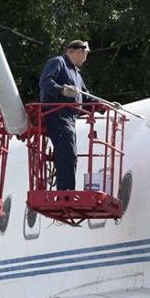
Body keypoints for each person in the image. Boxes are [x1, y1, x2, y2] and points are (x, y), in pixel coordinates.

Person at [38, 39, 93, 192]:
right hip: (56, 115)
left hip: (69, 118)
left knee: (70, 155)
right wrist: (61, 90)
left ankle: (66, 190)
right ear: (78, 51)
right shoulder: (58, 62)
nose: (86, 57)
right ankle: (65, 192)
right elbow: (45, 82)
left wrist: (106, 106)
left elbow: (86, 97)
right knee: (67, 154)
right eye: (86, 53)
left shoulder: (76, 74)